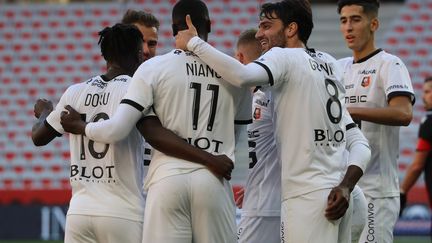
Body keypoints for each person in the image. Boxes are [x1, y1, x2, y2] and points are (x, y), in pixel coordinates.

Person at [175, 0, 371, 242]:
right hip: (345, 197)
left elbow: (242, 75)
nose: (259, 34)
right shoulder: (330, 64)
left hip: (308, 199)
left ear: (291, 29)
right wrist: (346, 186)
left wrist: (194, 43)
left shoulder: (283, 56)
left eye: (267, 26)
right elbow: (360, 144)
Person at [59, 0, 251, 242]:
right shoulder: (235, 72)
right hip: (213, 178)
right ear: (210, 25)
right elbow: (236, 134)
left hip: (165, 179)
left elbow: (128, 128)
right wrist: (212, 155)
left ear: (172, 30)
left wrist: (81, 126)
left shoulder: (153, 69)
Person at [32, 23, 147, 243]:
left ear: (105, 55)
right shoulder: (136, 89)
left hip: (79, 212)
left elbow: (38, 137)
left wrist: (45, 112)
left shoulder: (75, 91)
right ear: (139, 55)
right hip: (123, 212)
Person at [337, 0, 415, 242]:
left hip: (376, 192)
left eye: (355, 19)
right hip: (342, 189)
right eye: (343, 20)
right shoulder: (338, 68)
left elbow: (404, 113)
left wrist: (352, 111)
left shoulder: (390, 64)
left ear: (374, 24)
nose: (348, 27)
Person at [233, 29, 282, 243]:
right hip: (262, 197)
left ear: (239, 58)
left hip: (265, 204)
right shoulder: (259, 96)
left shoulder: (268, 96)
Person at [400, 76, 432, 224]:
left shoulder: (429, 122)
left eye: (427, 92)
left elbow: (417, 165)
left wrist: (402, 191)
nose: (423, 97)